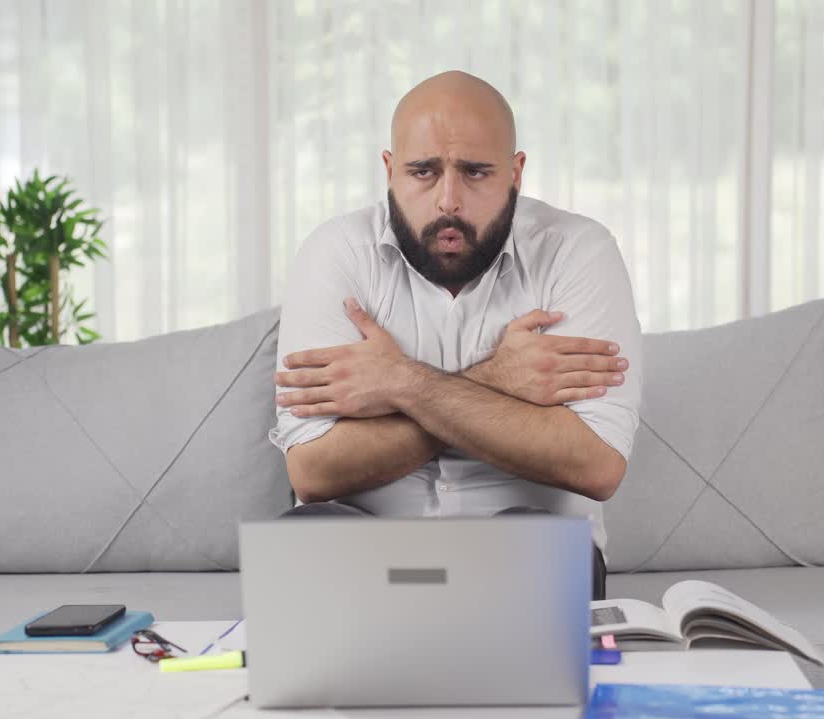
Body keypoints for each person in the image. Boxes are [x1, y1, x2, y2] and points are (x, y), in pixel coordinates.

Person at [268, 70, 642, 601]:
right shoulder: (336, 255)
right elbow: (312, 471)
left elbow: (596, 464)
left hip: (522, 558)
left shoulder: (578, 252)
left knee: (545, 545)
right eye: (423, 171)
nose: (449, 200)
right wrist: (497, 379)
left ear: (515, 173)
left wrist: (401, 383)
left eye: (475, 172)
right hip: (364, 557)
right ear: (389, 170)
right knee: (299, 539)